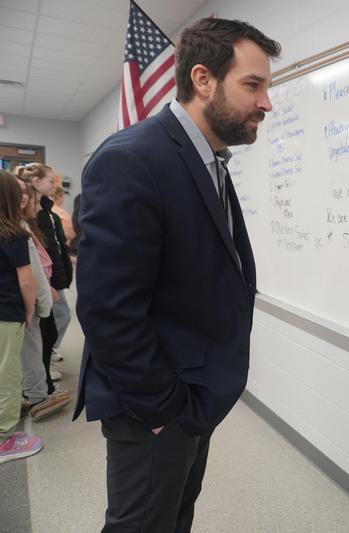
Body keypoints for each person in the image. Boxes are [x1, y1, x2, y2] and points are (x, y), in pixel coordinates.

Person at [74, 17, 280, 533]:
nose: (266, 103)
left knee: (172, 520)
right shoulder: (134, 159)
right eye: (252, 85)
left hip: (190, 399)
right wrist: (164, 408)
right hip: (153, 408)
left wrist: (190, 408)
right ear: (203, 80)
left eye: (266, 87)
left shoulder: (207, 158)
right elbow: (107, 308)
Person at [17, 179, 71, 420]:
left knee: (37, 345)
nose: (26, 199)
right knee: (32, 349)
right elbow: (29, 275)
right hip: (30, 301)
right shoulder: (17, 230)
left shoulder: (25, 225)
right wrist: (36, 302)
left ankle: (37, 390)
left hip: (37, 295)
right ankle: (38, 395)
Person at [0, 169, 43, 463]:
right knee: (8, 375)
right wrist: (29, 309)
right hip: (7, 313)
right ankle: (4, 439)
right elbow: (27, 281)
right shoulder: (13, 233)